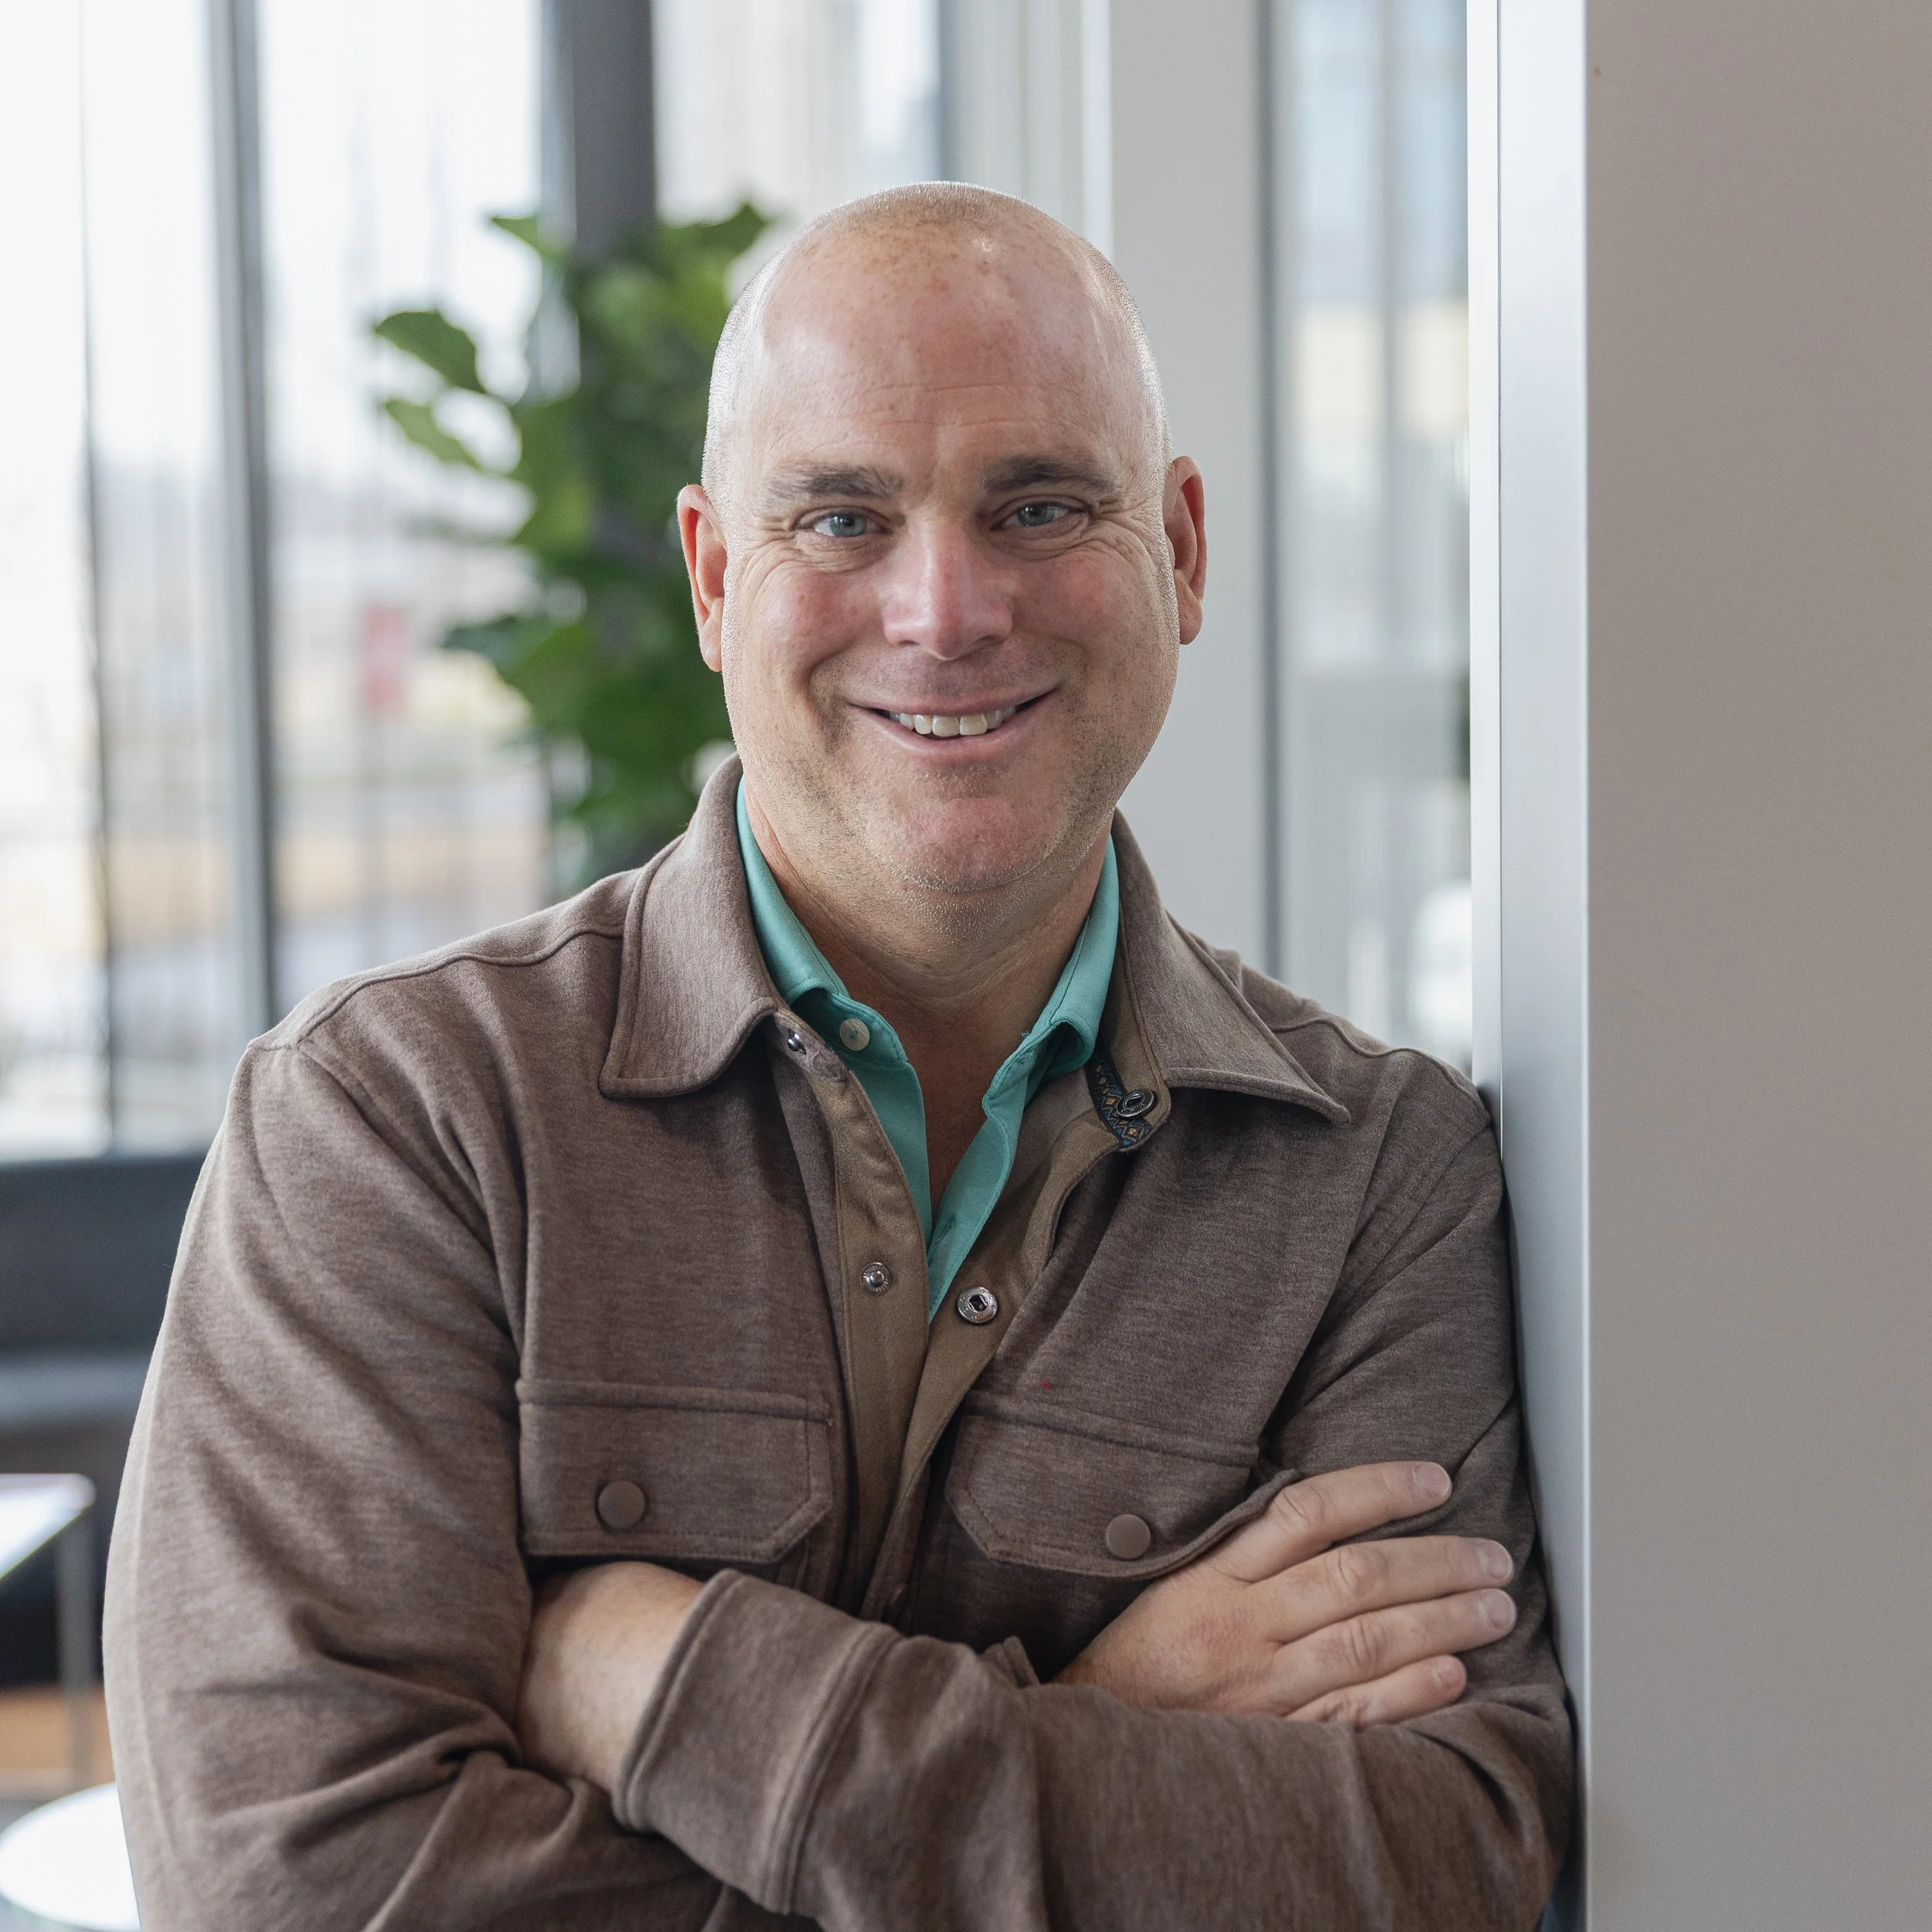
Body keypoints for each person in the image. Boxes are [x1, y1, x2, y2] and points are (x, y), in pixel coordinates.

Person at [104, 183, 1570, 1930]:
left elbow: (1446, 1857)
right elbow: (299, 1892)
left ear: (1179, 552)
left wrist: (670, 1686)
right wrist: (1102, 1717)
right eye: (841, 518)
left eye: (1038, 506)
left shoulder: (1378, 1178)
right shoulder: (400, 1121)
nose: (945, 609)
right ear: (717, 577)